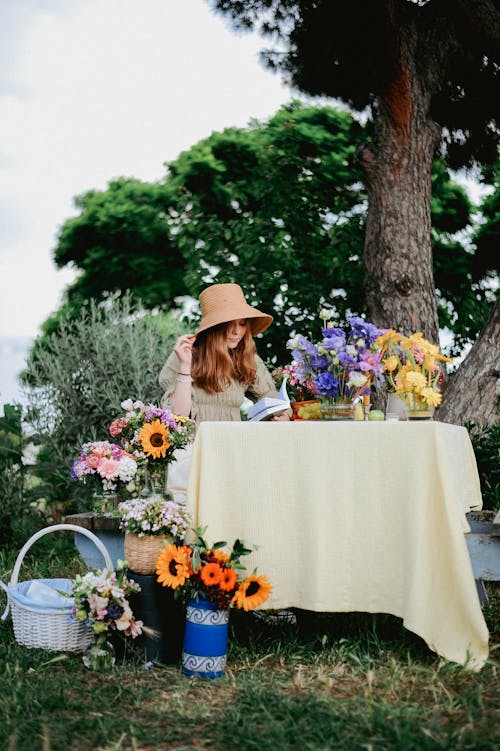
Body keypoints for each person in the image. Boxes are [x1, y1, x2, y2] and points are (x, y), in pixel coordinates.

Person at [159, 283, 290, 423]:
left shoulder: (246, 357)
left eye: (242, 323)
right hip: (197, 441)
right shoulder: (186, 355)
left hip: (234, 441)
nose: (237, 331)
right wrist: (185, 366)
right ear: (214, 327)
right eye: (229, 324)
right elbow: (177, 416)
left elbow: (272, 401)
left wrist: (284, 416)